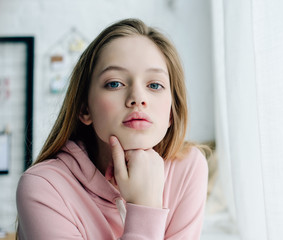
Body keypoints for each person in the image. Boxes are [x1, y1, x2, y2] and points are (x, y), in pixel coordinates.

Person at [16, 18, 208, 240]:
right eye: (115, 83)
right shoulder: (43, 188)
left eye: (154, 85)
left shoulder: (188, 168)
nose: (137, 98)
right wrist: (145, 206)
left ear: (171, 113)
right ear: (84, 108)